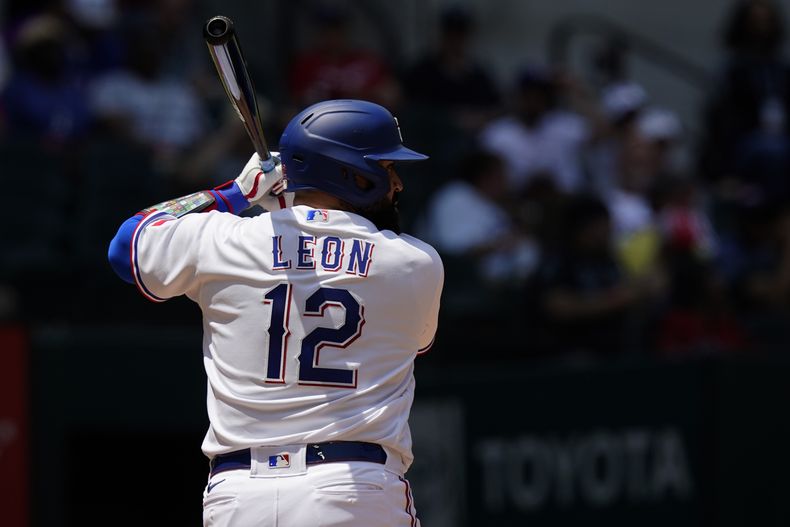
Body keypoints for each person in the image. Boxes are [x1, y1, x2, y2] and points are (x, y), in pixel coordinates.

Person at [107, 99, 443, 526]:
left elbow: (127, 245)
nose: (397, 183)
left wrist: (235, 193)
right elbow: (416, 343)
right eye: (386, 167)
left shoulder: (224, 241)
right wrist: (293, 226)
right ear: (352, 174)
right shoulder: (414, 262)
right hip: (353, 488)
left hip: (239, 495)